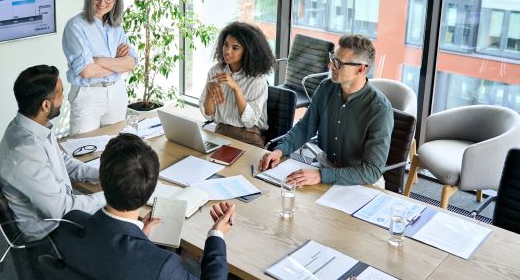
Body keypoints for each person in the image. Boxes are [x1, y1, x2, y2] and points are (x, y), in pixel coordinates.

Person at [45, 133, 235, 279]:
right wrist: (217, 235)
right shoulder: (162, 266)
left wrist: (139, 238)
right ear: (151, 190)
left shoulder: (70, 222)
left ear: (101, 181)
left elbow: (107, 257)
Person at [259, 34, 394, 187]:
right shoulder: (325, 87)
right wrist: (280, 151)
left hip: (361, 180)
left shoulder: (380, 110)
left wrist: (321, 175)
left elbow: (371, 171)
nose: (330, 66)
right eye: (332, 58)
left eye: (338, 63)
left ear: (361, 69)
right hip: (325, 166)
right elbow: (305, 127)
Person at [0, 65, 105, 241]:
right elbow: (61, 210)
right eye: (61, 94)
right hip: (51, 234)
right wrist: (110, 196)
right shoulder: (25, 152)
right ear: (46, 105)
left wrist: (100, 174)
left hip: (60, 212)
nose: (65, 99)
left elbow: (61, 161)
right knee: (122, 228)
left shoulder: (31, 125)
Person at [62, 0, 138, 135]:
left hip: (116, 92)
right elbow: (86, 71)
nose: (103, 2)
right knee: (84, 151)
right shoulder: (75, 26)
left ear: (116, 0)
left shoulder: (116, 26)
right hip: (88, 95)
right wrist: (118, 64)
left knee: (116, 150)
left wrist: (98, 60)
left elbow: (131, 63)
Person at [199, 22, 276, 147]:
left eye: (235, 48)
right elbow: (209, 115)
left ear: (248, 52)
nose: (227, 51)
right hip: (221, 132)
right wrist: (209, 90)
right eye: (225, 45)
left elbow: (250, 122)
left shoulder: (257, 79)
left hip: (248, 137)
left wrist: (235, 88)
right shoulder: (216, 71)